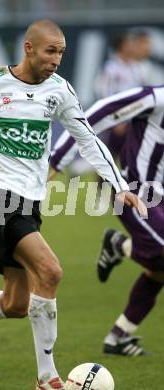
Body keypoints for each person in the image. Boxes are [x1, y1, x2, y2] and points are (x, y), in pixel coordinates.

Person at [0, 20, 144, 389]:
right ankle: (47, 379)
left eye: (61, 52)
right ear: (29, 48)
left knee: (16, 304)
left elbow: (87, 139)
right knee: (50, 271)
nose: (56, 59)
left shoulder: (60, 91)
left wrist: (119, 184)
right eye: (50, 51)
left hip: (28, 200)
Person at [50, 85, 164, 356]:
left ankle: (119, 336)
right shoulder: (156, 98)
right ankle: (121, 245)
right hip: (135, 192)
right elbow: (100, 112)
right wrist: (56, 159)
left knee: (159, 269)